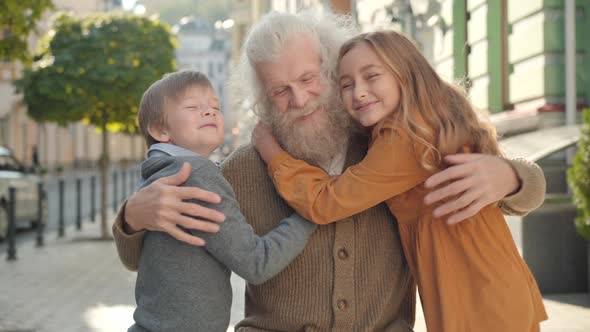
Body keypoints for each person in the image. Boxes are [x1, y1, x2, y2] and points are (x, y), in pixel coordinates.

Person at [113, 11, 546, 331]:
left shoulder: (389, 143)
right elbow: (150, 261)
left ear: (331, 72)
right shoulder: (241, 169)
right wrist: (132, 218)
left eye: (308, 79)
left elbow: (525, 193)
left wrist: (511, 176)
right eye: (280, 91)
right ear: (263, 99)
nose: (299, 100)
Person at [253, 30, 547, 332]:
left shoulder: (405, 138)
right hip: (495, 286)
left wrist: (272, 152)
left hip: (476, 296)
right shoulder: (432, 122)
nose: (359, 92)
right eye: (346, 84)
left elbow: (325, 202)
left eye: (372, 76)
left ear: (404, 75)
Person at [128, 70, 316, 332]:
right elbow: (256, 263)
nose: (209, 112)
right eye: (193, 107)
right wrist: (310, 212)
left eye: (215, 107)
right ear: (160, 130)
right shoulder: (195, 174)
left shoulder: (159, 173)